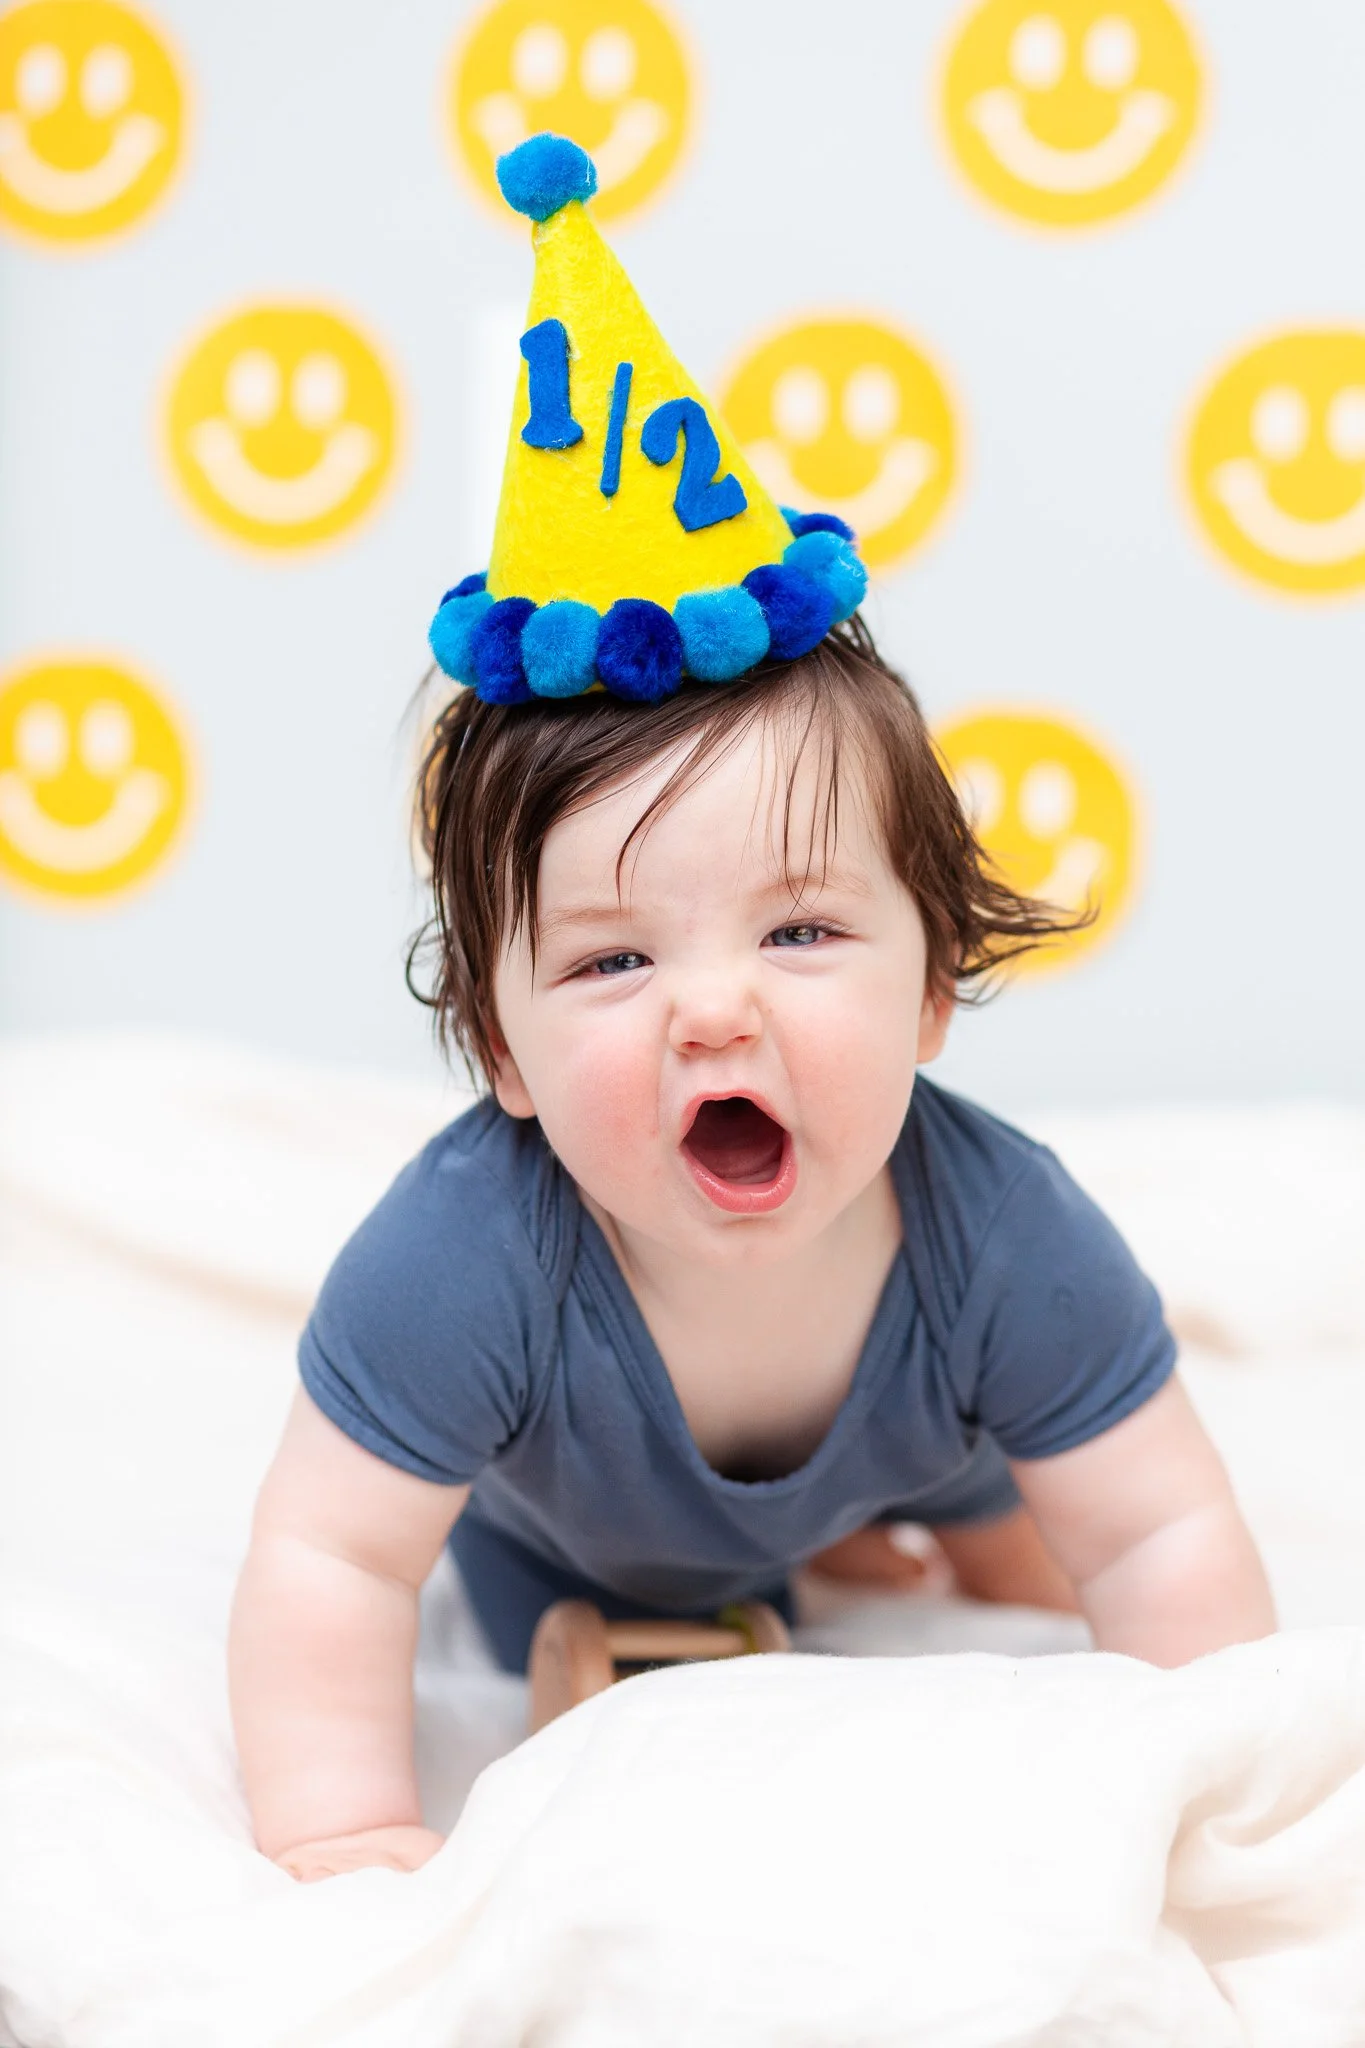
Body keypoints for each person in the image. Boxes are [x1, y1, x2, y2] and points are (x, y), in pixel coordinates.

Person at [228, 135, 1274, 1885]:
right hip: (567, 1537)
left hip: (915, 1441)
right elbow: (330, 1564)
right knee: (551, 1629)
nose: (714, 1010)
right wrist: (342, 1840)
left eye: (799, 932)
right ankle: (855, 1552)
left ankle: (924, 1536)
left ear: (936, 982)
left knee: (1035, 1542)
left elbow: (1167, 1528)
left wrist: (1231, 1802)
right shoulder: (461, 1268)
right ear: (504, 1055)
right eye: (615, 962)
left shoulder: (1006, 1240)